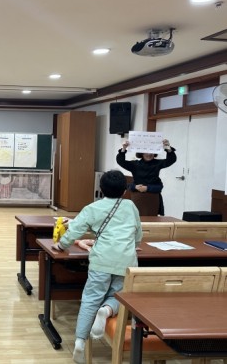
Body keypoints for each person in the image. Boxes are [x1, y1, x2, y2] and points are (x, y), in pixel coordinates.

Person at [52, 170, 142, 364]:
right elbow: (138, 233)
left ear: (101, 189)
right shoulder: (130, 206)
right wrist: (133, 245)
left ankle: (80, 342)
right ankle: (107, 310)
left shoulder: (92, 208)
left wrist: (61, 245)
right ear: (125, 190)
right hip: (126, 261)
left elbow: (74, 230)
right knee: (122, 296)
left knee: (90, 299)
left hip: (101, 260)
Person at [116, 138, 176, 216]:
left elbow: (171, 159)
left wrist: (168, 148)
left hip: (153, 197)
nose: (149, 154)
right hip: (138, 196)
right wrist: (124, 148)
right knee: (136, 218)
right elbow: (120, 161)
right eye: (146, 152)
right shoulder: (135, 164)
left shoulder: (157, 163)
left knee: (152, 220)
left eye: (151, 151)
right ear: (141, 153)